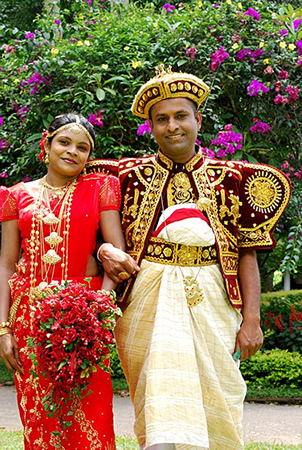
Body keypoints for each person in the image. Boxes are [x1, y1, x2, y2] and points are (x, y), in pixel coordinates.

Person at [87, 67, 291, 449]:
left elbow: (248, 254)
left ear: (198, 119)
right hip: (145, 306)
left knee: (219, 399)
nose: (172, 126)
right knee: (156, 398)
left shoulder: (232, 178)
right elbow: (89, 229)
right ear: (151, 126)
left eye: (181, 116)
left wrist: (252, 320)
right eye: (161, 119)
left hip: (213, 303)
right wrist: (104, 250)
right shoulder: (124, 176)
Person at [0, 113, 138, 449]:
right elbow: (5, 265)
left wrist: (100, 312)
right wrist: (3, 329)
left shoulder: (100, 189)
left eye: (83, 148)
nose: (72, 151)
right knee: (40, 415)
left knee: (90, 413)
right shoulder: (16, 195)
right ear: (46, 145)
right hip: (29, 317)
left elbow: (116, 254)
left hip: (85, 316)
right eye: (64, 142)